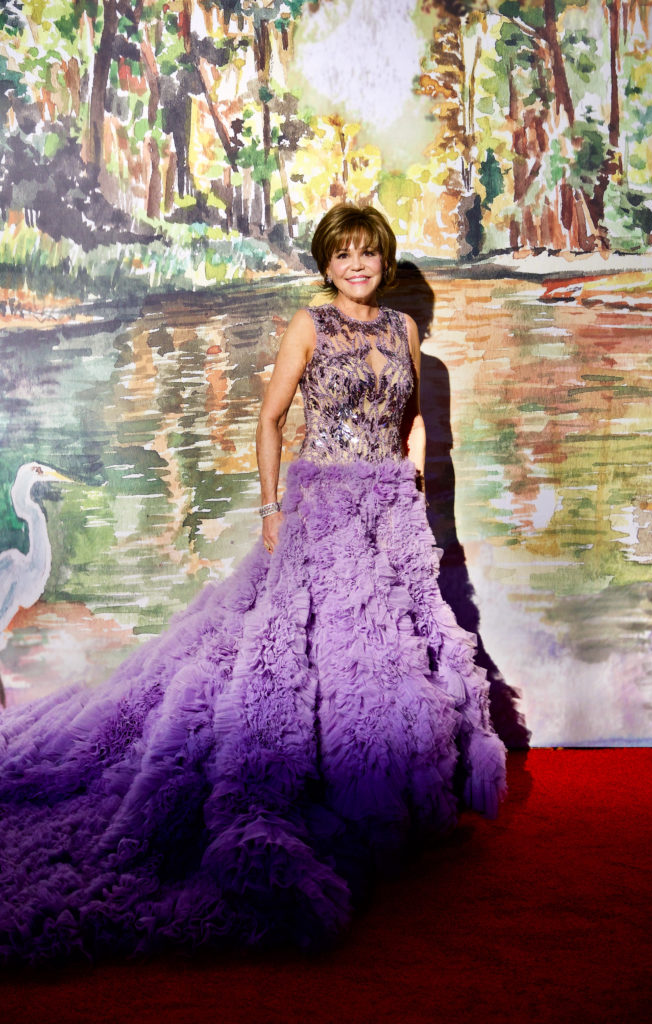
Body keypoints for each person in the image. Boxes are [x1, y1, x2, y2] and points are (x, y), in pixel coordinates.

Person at [0, 205, 505, 963]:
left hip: (388, 509)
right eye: (342, 255)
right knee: (305, 655)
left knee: (387, 655)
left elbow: (417, 430)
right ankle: (318, 794)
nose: (356, 265)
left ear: (384, 260)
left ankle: (387, 792)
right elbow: (269, 421)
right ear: (326, 265)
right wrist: (273, 508)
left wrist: (418, 501)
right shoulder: (307, 324)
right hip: (321, 507)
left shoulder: (405, 332)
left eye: (367, 253)